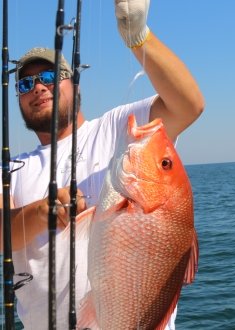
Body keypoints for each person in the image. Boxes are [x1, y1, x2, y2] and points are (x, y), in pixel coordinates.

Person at [0, 0, 204, 328]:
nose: (38, 87)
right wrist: (42, 212)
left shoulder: (114, 128)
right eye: (25, 84)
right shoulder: (9, 169)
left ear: (74, 85)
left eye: (50, 76)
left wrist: (138, 36)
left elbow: (188, 105)